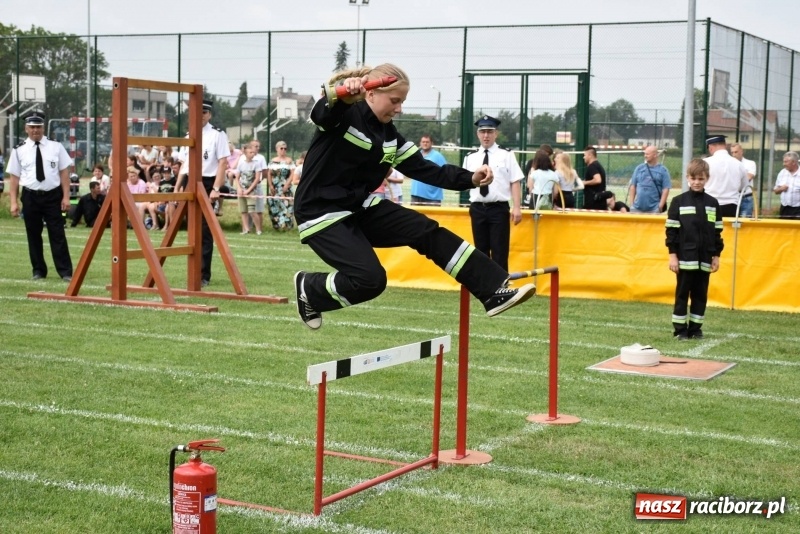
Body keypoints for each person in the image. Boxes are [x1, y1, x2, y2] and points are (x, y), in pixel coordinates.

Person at [292, 64, 535, 329]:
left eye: (402, 102)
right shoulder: (342, 114)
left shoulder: (390, 137)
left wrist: (470, 178)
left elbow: (426, 169)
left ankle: (491, 291)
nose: (399, 108)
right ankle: (309, 287)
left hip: (359, 207)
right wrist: (342, 96)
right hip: (320, 212)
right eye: (395, 100)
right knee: (371, 281)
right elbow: (321, 112)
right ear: (371, 94)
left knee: (426, 230)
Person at [6, 110, 74, 281]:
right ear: (26, 129)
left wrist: (66, 197)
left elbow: (64, 173)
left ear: (43, 129)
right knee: (33, 234)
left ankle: (65, 271)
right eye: (32, 127)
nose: (35, 130)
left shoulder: (55, 146)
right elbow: (14, 179)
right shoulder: (18, 150)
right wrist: (13, 202)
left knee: (57, 233)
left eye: (38, 127)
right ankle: (38, 270)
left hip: (53, 196)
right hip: (30, 196)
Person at [665, 158, 724, 340]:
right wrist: (673, 256)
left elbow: (716, 232)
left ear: (707, 178)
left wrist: (716, 256)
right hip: (684, 259)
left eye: (701, 179)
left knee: (700, 295)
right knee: (682, 294)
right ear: (687, 178)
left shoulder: (713, 203)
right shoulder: (678, 201)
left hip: (705, 259)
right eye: (693, 178)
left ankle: (695, 329)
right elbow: (671, 232)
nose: (697, 182)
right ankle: (680, 330)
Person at [175, 99, 230, 286]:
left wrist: (216, 188)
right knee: (190, 228)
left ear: (209, 114)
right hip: (190, 181)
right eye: (198, 112)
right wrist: (176, 188)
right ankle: (193, 271)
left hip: (207, 182)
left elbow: (223, 163)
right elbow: (184, 164)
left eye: (205, 112)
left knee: (205, 230)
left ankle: (203, 274)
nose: (202, 116)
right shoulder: (189, 135)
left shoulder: (217, 135)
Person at [463, 115, 524, 271]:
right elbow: (465, 181)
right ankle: (485, 287)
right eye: (482, 131)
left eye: (490, 131)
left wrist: (517, 207)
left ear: (496, 134)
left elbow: (515, 181)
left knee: (499, 250)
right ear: (478, 134)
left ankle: (501, 287)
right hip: (477, 207)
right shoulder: (471, 157)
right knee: (480, 251)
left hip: (498, 208)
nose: (486, 135)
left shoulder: (506, 155)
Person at [703, 135, 748, 218]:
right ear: (725, 145)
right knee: (729, 230)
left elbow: (693, 185)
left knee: (709, 230)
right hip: (731, 207)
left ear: (710, 147)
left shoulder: (704, 163)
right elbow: (744, 187)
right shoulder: (739, 164)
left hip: (709, 206)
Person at [628, 145, 671, 213]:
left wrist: (660, 207)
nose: (645, 156)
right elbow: (633, 186)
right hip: (637, 209)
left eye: (647, 154)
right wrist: (632, 205)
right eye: (645, 154)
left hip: (654, 209)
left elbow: (666, 189)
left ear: (655, 155)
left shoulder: (663, 171)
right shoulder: (639, 168)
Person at [266, 140, 295, 231]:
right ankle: (278, 226)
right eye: (281, 148)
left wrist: (287, 184)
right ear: (277, 149)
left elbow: (292, 173)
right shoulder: (273, 161)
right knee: (275, 206)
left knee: (288, 207)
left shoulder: (289, 161)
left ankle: (287, 227)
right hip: (275, 187)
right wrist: (270, 185)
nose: (283, 150)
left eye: (285, 149)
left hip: (285, 187)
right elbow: (269, 173)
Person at [235, 142, 264, 234]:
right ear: (245, 153)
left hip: (251, 191)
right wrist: (239, 188)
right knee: (243, 211)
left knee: (252, 211)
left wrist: (249, 190)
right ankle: (246, 229)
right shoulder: (241, 164)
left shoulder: (257, 163)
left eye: (253, 152)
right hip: (242, 191)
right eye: (250, 152)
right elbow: (237, 177)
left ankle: (258, 229)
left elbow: (257, 178)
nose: (253, 154)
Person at [410, 134, 446, 205]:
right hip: (416, 194)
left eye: (427, 142)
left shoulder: (437, 156)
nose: (425, 144)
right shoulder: (416, 155)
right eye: (423, 142)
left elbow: (445, 172)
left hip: (432, 197)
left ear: (431, 143)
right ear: (420, 143)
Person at [730, 143, 756, 217]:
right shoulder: (729, 164)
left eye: (736, 152)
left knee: (745, 223)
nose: (734, 154)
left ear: (741, 151)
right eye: (732, 152)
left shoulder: (750, 163)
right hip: (733, 198)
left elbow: (749, 177)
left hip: (746, 198)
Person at [773, 151, 800, 219]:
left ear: (793, 162)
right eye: (783, 161)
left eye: (786, 162)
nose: (783, 164)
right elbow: (776, 191)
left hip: (798, 209)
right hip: (784, 209)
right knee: (784, 229)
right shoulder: (782, 173)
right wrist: (781, 189)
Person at [582, 146, 607, 210]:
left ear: (590, 155)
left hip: (593, 202)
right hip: (600, 201)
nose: (583, 157)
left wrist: (584, 182)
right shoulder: (599, 166)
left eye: (584, 155)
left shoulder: (592, 166)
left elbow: (598, 180)